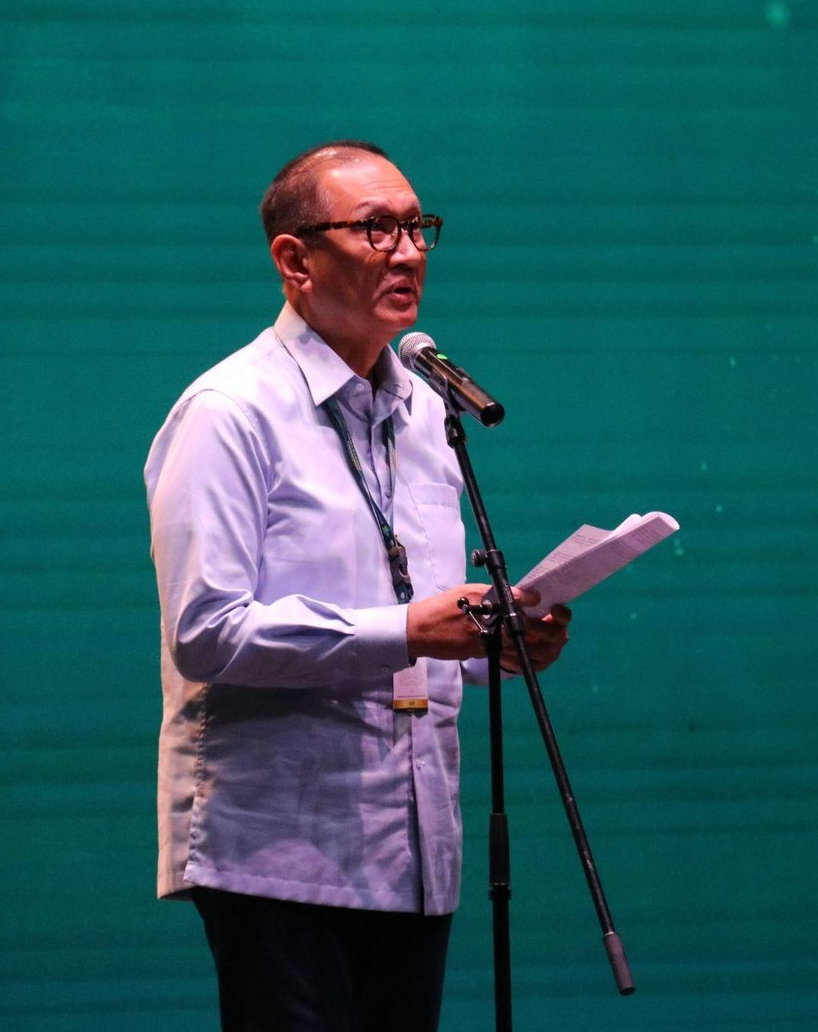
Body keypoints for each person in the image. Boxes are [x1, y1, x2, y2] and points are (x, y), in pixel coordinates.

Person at [144, 140, 572, 1032]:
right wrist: (410, 630)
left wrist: (494, 648)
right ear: (295, 260)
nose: (408, 251)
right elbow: (206, 630)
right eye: (377, 229)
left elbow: (426, 625)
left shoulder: (426, 411)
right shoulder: (230, 413)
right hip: (281, 852)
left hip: (416, 848)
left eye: (418, 228)